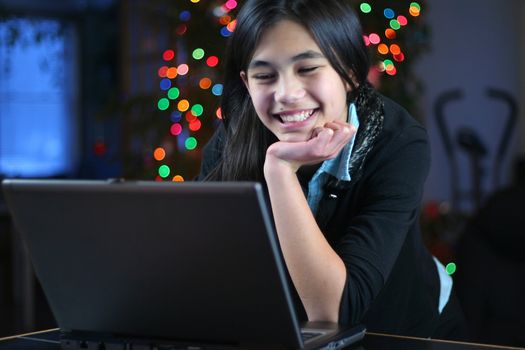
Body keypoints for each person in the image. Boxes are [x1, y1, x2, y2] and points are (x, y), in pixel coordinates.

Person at [197, 0, 467, 339]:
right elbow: (201, 259)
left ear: (350, 72)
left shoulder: (398, 142)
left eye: (307, 69)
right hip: (292, 333)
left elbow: (334, 313)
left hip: (404, 332)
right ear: (246, 83)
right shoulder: (232, 138)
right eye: (264, 75)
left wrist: (280, 169)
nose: (287, 94)